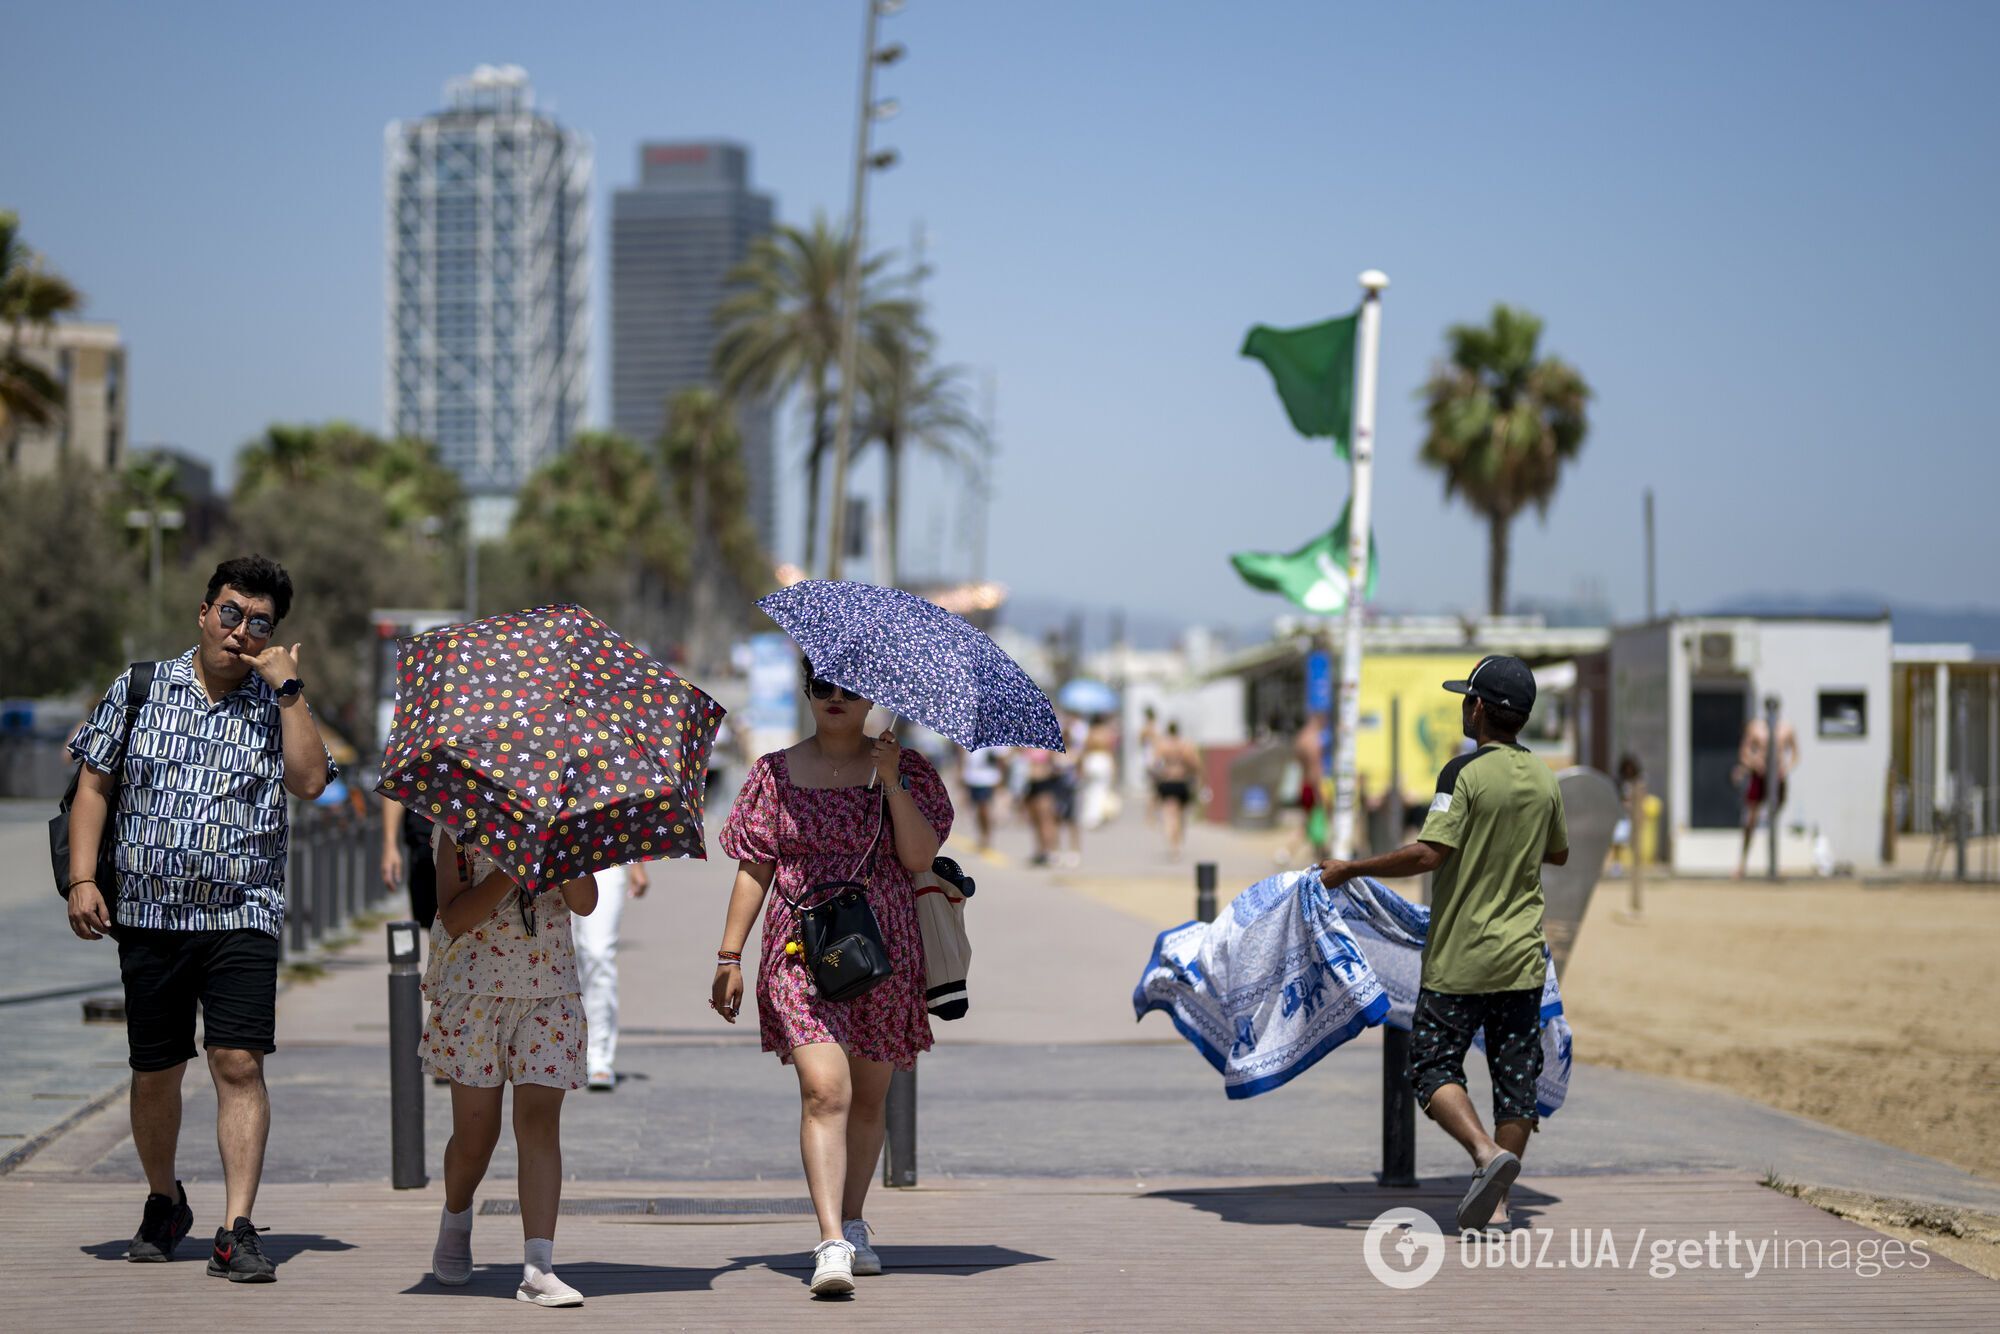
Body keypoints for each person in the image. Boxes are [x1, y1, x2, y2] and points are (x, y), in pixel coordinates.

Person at [62, 555, 333, 1279]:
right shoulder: (141, 687)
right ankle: (164, 1201)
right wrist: (82, 878)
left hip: (243, 912)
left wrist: (289, 690)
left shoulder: (278, 702)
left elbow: (311, 781)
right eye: (230, 613)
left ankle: (236, 1229)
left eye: (259, 623)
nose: (241, 631)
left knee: (238, 1061)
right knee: (157, 1070)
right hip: (148, 913)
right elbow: (94, 784)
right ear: (204, 613)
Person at [710, 658, 952, 1298]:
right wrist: (729, 956)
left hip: (882, 949)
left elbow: (919, 856)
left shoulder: (908, 769)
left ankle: (853, 1219)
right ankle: (831, 1241)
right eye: (823, 686)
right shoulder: (772, 773)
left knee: (868, 1099)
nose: (836, 698)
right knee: (825, 1091)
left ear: (873, 695)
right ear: (807, 691)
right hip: (799, 947)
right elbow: (754, 868)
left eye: (851, 687)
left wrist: (892, 781)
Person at [1315, 655, 1568, 1236]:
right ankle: (1498, 1207)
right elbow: (1557, 852)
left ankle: (1484, 1153)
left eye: (1465, 699)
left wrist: (1351, 868)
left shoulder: (1462, 774)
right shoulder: (1545, 777)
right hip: (1522, 957)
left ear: (1478, 708)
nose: (1463, 708)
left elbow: (1430, 853)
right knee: (1516, 1083)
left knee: (1431, 1067)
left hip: (1462, 957)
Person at [423, 825, 599, 1305]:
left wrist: (557, 851)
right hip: (476, 993)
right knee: (476, 1136)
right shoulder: (459, 825)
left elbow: (585, 903)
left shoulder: (564, 826)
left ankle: (538, 1268)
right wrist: (512, 867)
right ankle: (456, 1216)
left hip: (550, 991)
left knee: (539, 1124)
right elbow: (454, 916)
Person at [573, 859, 651, 1091]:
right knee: (560, 957)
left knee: (598, 953)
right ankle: (564, 1049)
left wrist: (638, 863)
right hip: (549, 858)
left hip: (603, 857)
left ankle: (598, 1056)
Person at [1734, 699, 1799, 879]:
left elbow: (1795, 754)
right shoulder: (1756, 728)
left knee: (1774, 819)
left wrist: (1786, 768)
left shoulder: (1786, 729)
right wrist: (1755, 763)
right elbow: (1745, 752)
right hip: (1759, 775)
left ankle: (1775, 864)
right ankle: (1742, 865)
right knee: (1751, 820)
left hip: (1777, 777)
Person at [380, 799, 438, 929]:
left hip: (468, 841)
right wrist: (390, 846)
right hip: (425, 842)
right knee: (432, 923)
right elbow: (393, 789)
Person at [1152, 722, 1200, 860]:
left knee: (1168, 813)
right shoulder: (1186, 746)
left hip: (1167, 781)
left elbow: (1155, 765)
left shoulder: (1162, 746)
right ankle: (1176, 843)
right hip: (1181, 781)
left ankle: (1172, 844)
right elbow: (1195, 764)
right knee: (1179, 814)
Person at [957, 745, 1009, 855]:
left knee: (983, 808)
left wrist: (1002, 778)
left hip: (988, 779)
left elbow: (1002, 760)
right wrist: (961, 774)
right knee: (977, 809)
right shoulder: (969, 741)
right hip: (972, 778)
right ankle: (982, 834)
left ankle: (986, 836)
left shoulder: (994, 743)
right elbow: (963, 758)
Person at [1076, 714, 1119, 830]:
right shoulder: (1107, 733)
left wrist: (1081, 766)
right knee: (1101, 789)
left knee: (1090, 789)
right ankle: (1098, 815)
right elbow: (1111, 750)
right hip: (1104, 760)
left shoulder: (1090, 733)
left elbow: (1085, 750)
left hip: (1092, 760)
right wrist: (1114, 766)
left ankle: (1090, 816)